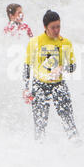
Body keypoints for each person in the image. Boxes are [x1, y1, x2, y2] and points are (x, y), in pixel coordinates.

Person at [23, 10, 78, 140]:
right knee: (40, 123)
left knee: (68, 119)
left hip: (59, 85)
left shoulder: (65, 43)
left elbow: (73, 66)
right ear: (45, 27)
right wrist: (26, 88)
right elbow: (27, 66)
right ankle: (39, 149)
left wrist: (61, 68)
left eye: (58, 26)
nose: (56, 30)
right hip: (39, 86)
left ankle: (77, 145)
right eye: (53, 27)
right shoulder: (35, 42)